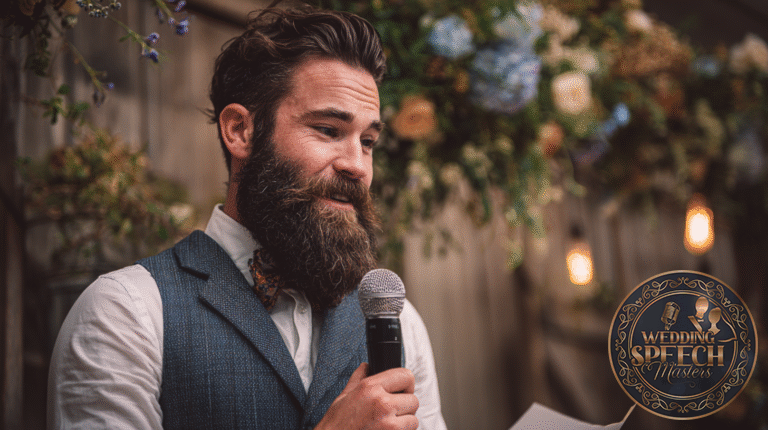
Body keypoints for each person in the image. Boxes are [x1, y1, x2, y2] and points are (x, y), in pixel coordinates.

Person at [47, 6, 447, 430]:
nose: (357, 166)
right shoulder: (124, 313)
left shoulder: (400, 323)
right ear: (240, 131)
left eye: (367, 141)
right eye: (329, 130)